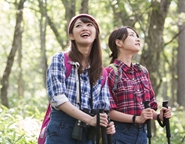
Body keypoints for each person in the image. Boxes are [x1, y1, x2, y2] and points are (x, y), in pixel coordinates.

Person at [45, 14, 115, 144]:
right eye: (79, 26)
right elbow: (58, 99)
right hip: (62, 127)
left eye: (89, 25)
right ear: (71, 35)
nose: (84, 28)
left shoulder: (101, 72)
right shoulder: (60, 59)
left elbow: (103, 107)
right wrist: (89, 119)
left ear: (95, 34)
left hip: (89, 133)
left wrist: (106, 123)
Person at [106, 26, 172, 144]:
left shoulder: (142, 71)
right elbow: (108, 111)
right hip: (118, 134)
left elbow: (148, 108)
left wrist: (159, 116)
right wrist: (137, 119)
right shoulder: (110, 72)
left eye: (137, 36)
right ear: (119, 42)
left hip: (142, 134)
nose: (137, 39)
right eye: (132, 35)